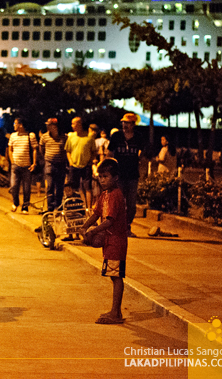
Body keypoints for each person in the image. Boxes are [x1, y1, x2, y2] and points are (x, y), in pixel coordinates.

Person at [80, 158, 128, 325]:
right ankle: (116, 311)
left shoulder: (116, 195)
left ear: (115, 177)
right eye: (100, 176)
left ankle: (116, 312)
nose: (102, 180)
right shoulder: (103, 195)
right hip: (109, 241)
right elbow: (96, 214)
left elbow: (109, 221)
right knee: (113, 275)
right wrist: (84, 227)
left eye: (105, 176)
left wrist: (93, 231)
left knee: (116, 276)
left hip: (116, 241)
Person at [107, 113, 145, 238]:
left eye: (127, 123)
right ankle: (117, 227)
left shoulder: (139, 137)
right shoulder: (116, 136)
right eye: (123, 122)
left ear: (133, 124)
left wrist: (141, 163)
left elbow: (144, 153)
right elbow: (110, 153)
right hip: (119, 175)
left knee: (132, 204)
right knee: (118, 203)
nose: (124, 125)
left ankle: (127, 226)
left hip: (133, 175)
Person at [64, 117, 97, 208]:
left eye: (73, 123)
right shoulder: (71, 137)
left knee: (87, 187)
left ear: (79, 124)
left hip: (86, 165)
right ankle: (74, 206)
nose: (72, 126)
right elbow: (68, 150)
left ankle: (88, 208)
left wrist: (90, 161)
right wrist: (70, 161)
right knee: (73, 187)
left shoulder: (89, 137)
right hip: (74, 165)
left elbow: (94, 151)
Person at [8, 117, 38, 214]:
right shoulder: (13, 136)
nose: (14, 125)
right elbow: (10, 149)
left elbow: (34, 149)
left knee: (26, 188)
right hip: (15, 165)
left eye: (15, 123)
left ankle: (25, 207)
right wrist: (12, 160)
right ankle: (15, 203)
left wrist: (34, 163)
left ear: (20, 125)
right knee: (14, 186)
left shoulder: (30, 136)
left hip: (27, 166)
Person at [39, 118, 67, 212]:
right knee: (50, 186)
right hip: (49, 163)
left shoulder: (64, 136)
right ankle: (50, 208)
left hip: (61, 164)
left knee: (59, 187)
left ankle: (58, 206)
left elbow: (66, 149)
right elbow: (41, 148)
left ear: (55, 126)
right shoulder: (44, 137)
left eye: (50, 125)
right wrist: (47, 157)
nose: (48, 127)